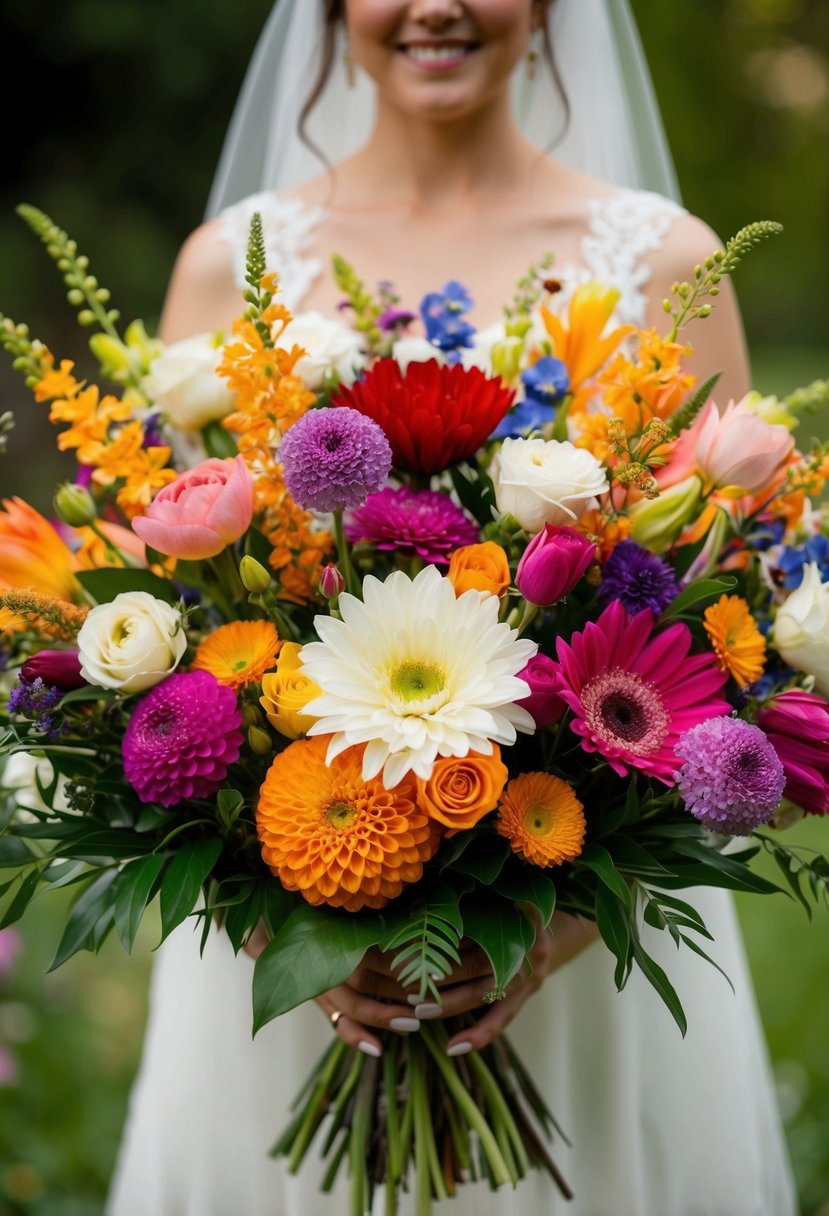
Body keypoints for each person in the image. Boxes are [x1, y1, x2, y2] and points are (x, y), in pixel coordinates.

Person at [106, 2, 798, 1213]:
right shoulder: (231, 264)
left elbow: (730, 614)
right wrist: (290, 930)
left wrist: (553, 924)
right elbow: (161, 637)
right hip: (289, 967)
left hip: (577, 962)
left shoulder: (667, 262)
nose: (435, 6)